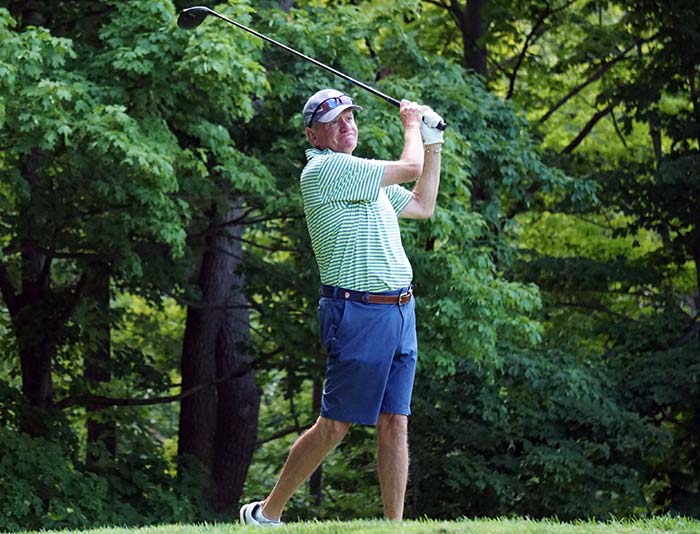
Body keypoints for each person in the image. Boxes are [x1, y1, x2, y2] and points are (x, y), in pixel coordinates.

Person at [240, 88, 444, 526]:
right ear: (314, 136)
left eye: (350, 117)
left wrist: (433, 142)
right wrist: (411, 126)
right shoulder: (327, 169)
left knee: (396, 421)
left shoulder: (363, 177)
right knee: (335, 425)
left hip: (399, 310)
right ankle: (267, 514)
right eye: (334, 122)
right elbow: (409, 168)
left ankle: (394, 525)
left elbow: (424, 205)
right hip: (356, 312)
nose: (346, 126)